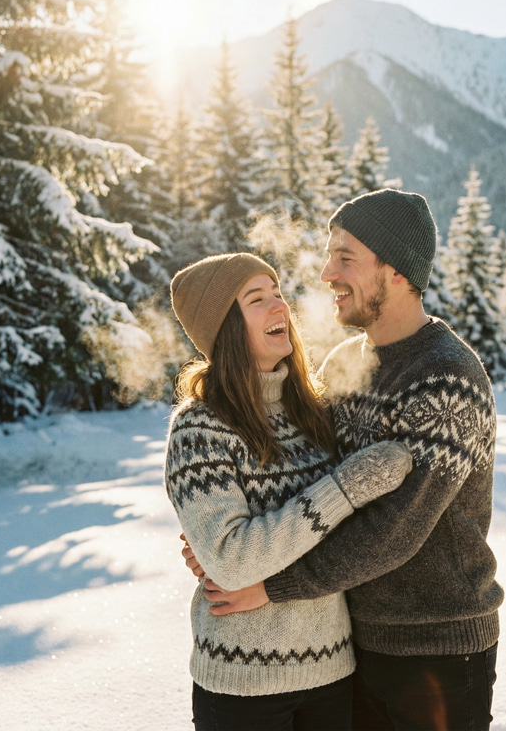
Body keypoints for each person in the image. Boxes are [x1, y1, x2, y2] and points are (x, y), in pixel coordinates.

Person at [194, 190, 504, 731]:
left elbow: (396, 530)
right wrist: (223, 546)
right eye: (327, 254)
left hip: (436, 649)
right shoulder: (344, 364)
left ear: (399, 272)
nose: (325, 273)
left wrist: (268, 584)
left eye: (346, 257)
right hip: (354, 644)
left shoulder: (444, 377)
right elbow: (311, 481)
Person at [164, 252, 413, 731]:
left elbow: (353, 532)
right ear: (225, 328)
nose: (279, 306)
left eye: (278, 293)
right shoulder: (199, 428)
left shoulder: (313, 411)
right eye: (257, 299)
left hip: (333, 670)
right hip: (243, 683)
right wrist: (342, 488)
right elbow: (232, 560)